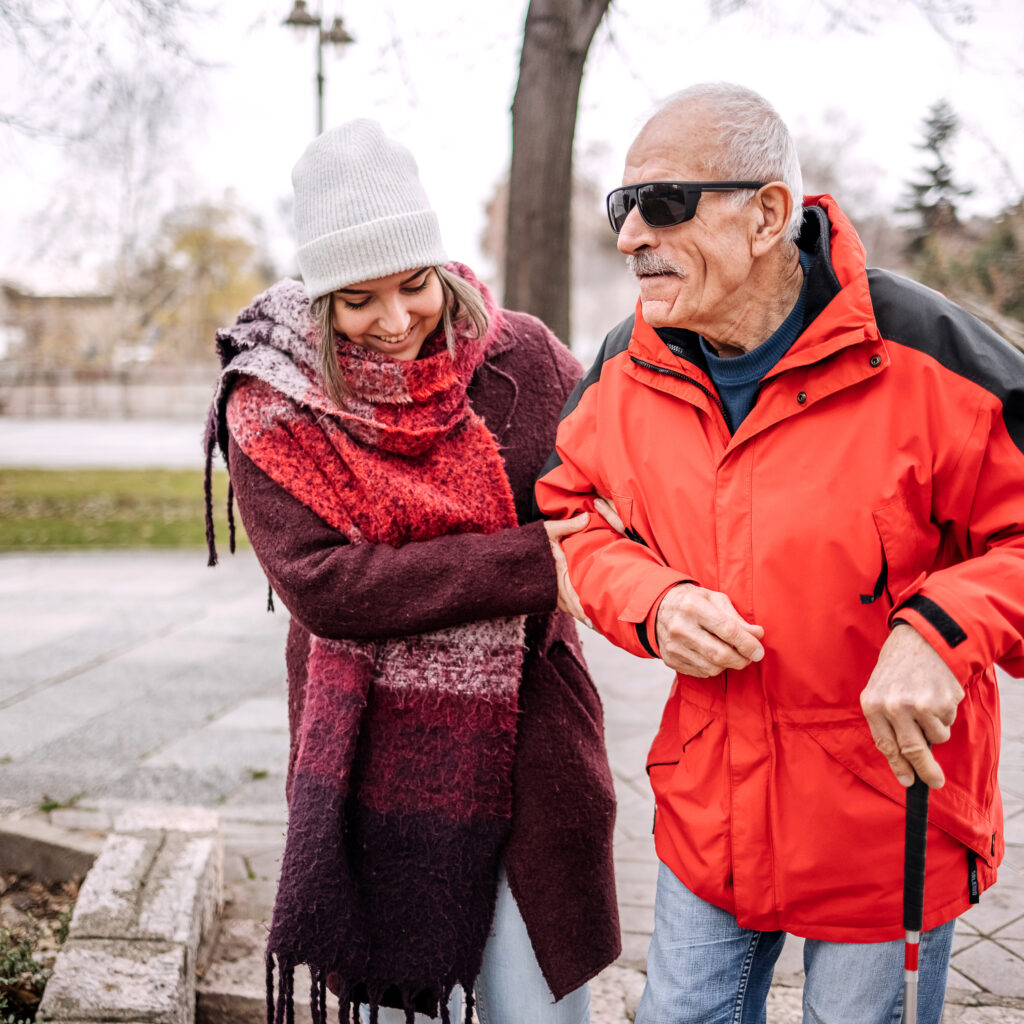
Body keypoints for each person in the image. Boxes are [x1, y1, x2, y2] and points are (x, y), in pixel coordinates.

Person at [535, 81, 1024, 1024]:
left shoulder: (932, 355)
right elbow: (569, 517)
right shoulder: (623, 368)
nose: (630, 236)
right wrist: (654, 602)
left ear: (766, 215)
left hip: (884, 820)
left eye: (663, 203)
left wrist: (943, 628)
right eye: (622, 205)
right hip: (710, 814)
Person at [203, 119, 619, 1024]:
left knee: (539, 1005)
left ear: (440, 267)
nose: (395, 322)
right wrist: (534, 561)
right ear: (320, 299)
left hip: (535, 739)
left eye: (414, 285)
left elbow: (614, 490)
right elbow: (328, 587)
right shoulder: (274, 402)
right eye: (358, 300)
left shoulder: (524, 360)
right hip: (374, 760)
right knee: (397, 1002)